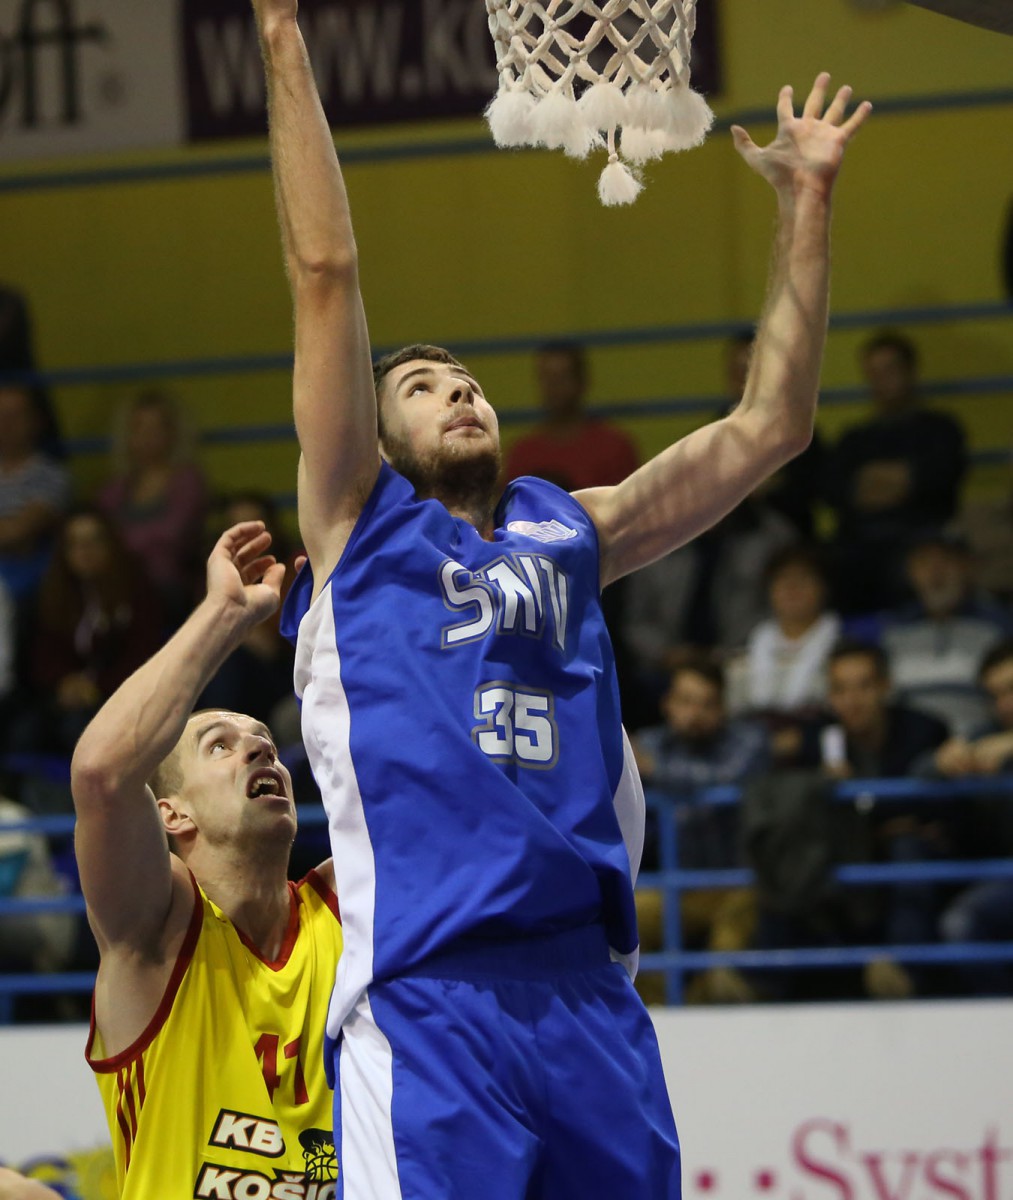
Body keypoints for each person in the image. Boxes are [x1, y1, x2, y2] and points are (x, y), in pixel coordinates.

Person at [255, 0, 870, 1189]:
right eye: (422, 386)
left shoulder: (567, 526)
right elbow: (323, 274)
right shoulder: (356, 525)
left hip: (588, 993)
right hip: (433, 996)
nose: (458, 391)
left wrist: (805, 205)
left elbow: (769, 426)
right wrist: (282, 31)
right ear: (372, 437)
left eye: (466, 379)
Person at [69, 521, 341, 1197]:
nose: (260, 748)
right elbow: (103, 774)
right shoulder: (158, 930)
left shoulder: (344, 905)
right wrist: (224, 616)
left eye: (264, 741)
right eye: (219, 745)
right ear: (172, 814)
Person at [634, 656, 769, 1005]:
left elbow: (728, 776)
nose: (695, 714)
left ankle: (705, 997)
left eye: (707, 704)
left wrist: (656, 771)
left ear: (723, 708)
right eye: (686, 701)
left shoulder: (750, 740)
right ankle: (666, 1007)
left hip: (736, 883)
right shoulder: (651, 742)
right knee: (624, 915)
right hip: (677, 886)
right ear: (667, 703)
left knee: (726, 963)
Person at [825, 330, 967, 613]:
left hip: (922, 538)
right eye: (873, 373)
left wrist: (875, 481)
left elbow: (940, 480)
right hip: (859, 545)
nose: (881, 381)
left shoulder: (941, 429)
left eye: (889, 370)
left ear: (911, 371)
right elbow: (834, 492)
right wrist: (902, 480)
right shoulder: (854, 439)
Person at [934, 639, 1013, 994]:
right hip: (1003, 877)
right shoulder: (985, 736)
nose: (1005, 704)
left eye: (1012, 689)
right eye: (996, 695)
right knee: (961, 922)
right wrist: (943, 760)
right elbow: (921, 772)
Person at [880, 529, 1012, 737]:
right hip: (911, 747)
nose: (935, 572)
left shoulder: (998, 626)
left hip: (981, 742)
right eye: (924, 563)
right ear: (910, 573)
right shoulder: (894, 632)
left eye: (946, 560)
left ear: (966, 567)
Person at [98, 388, 208, 622]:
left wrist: (122, 545)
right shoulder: (115, 488)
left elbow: (172, 535)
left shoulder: (187, 481)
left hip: (170, 587)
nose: (147, 436)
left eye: (156, 428)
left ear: (173, 432)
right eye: (139, 427)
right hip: (119, 586)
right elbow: (101, 534)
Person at [503, 342, 639, 491]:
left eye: (562, 377)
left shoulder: (614, 449)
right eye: (547, 378)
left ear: (582, 381)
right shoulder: (523, 454)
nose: (554, 387)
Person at [0, 383, 69, 601]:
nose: (6, 424)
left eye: (15, 415)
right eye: (1, 415)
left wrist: (14, 536)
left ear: (35, 420)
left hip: (27, 584)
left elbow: (18, 532)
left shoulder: (52, 476)